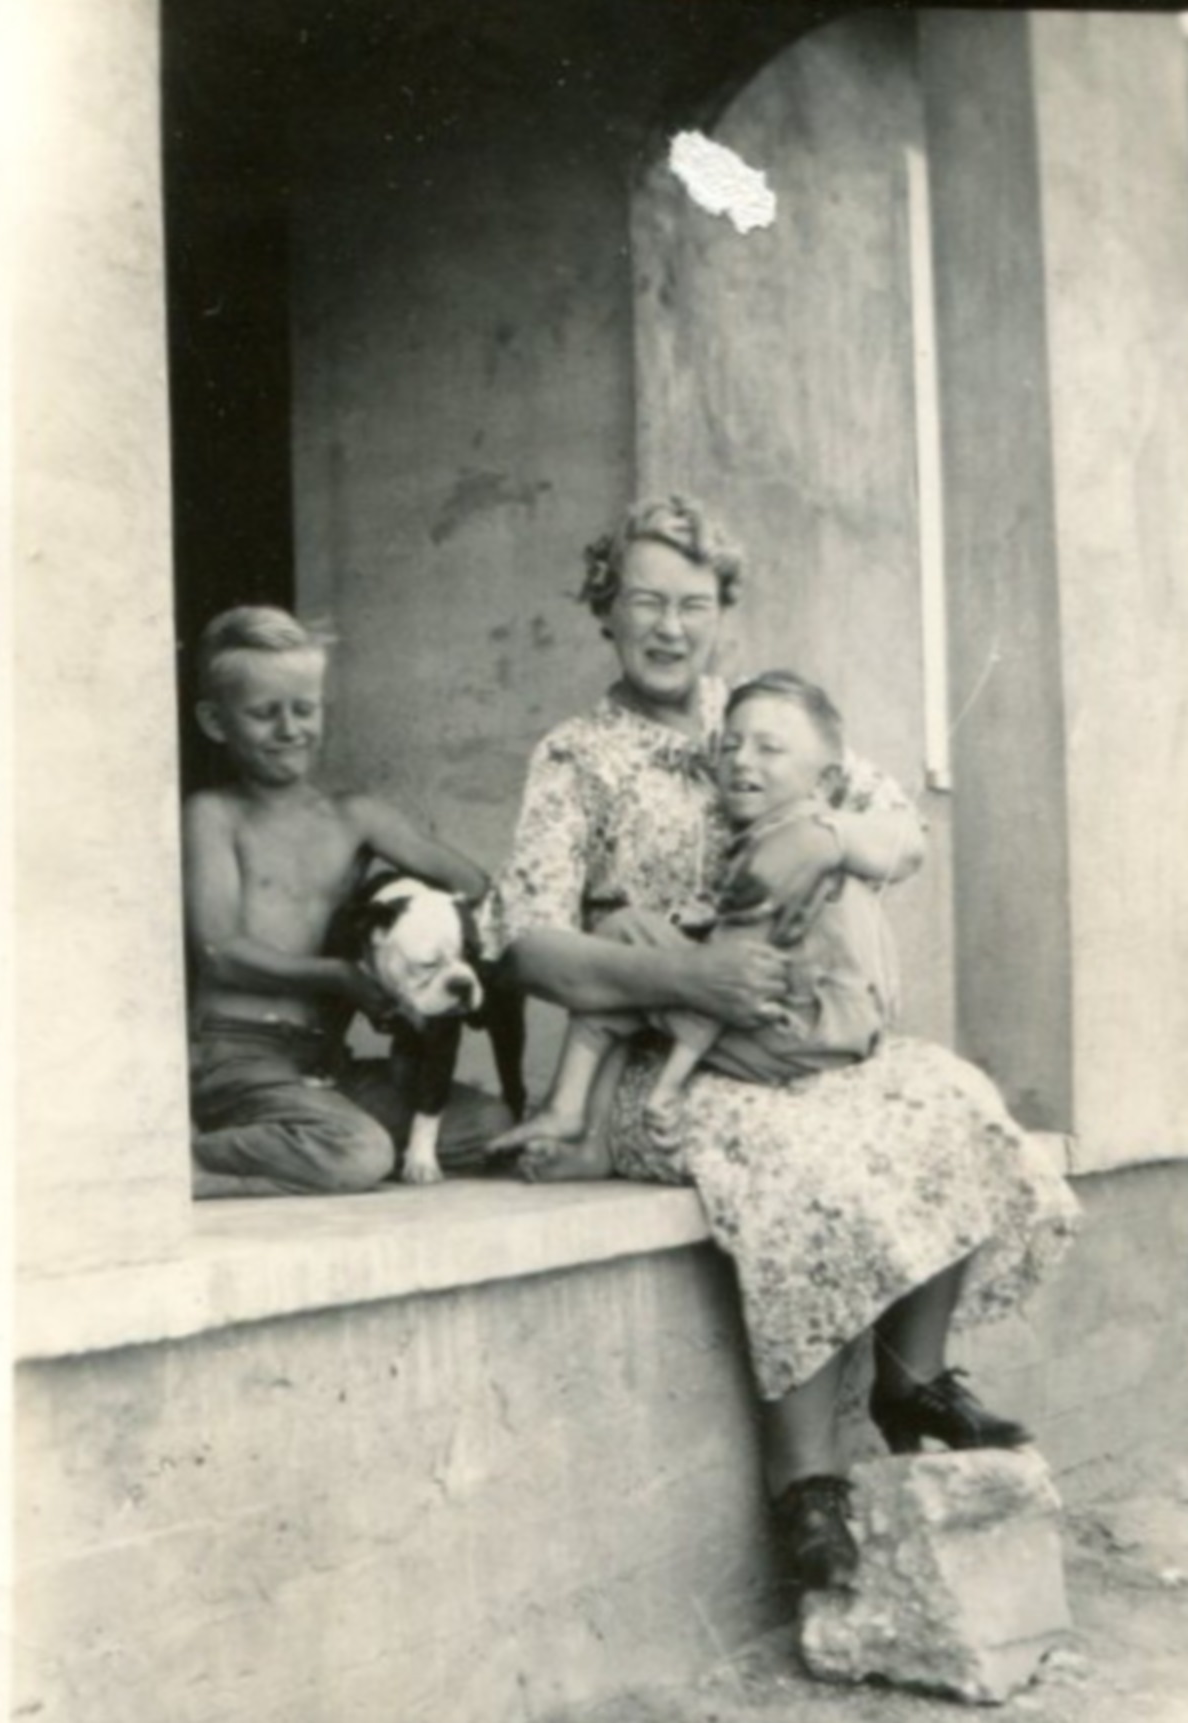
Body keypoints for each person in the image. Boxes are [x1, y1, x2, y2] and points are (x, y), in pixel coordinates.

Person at [484, 497, 1079, 1592]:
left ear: (723, 613)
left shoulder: (765, 722)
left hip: (803, 1042)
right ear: (605, 608)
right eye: (646, 602)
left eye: (695, 605)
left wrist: (827, 831)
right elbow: (528, 947)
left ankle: (914, 1378)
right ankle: (805, 1484)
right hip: (658, 1068)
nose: (671, 627)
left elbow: (900, 829)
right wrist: (684, 976)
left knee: (952, 1099)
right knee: (801, 1166)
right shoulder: (577, 757)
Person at [490, 668, 898, 1155]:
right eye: (729, 747)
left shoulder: (774, 853)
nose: (742, 761)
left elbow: (725, 986)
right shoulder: (825, 838)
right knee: (642, 957)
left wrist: (668, 1089)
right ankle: (577, 1121)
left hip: (797, 1037)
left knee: (623, 932)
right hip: (844, 1028)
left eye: (769, 749)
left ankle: (567, 1111)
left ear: (828, 779)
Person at [184, 605, 511, 1198]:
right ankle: (187, 1161)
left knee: (488, 1128)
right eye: (264, 713)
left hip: (322, 1062)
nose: (290, 729)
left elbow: (475, 884)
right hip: (238, 1055)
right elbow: (220, 952)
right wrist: (340, 975)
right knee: (361, 1153)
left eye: (304, 709)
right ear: (215, 720)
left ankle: (297, 1147)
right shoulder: (213, 815)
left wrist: (421, 925)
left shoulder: (355, 817)